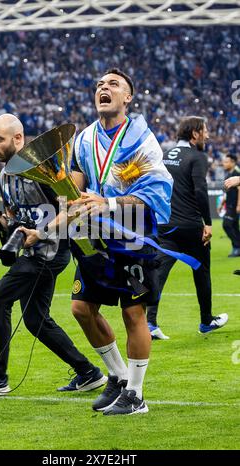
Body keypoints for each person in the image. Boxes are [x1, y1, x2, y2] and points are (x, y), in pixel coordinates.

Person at [22, 68, 173, 415]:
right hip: (94, 237)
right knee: (81, 308)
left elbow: (156, 193)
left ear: (128, 98)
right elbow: (72, 196)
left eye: (114, 85)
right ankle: (119, 377)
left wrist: (109, 203)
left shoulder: (142, 139)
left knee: (133, 313)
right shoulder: (85, 140)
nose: (104, 88)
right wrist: (43, 230)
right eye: (100, 85)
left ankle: (136, 396)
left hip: (134, 235)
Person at [0, 114, 106, 397]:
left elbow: (73, 209)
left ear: (18, 139)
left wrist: (40, 232)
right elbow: (12, 221)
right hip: (35, 252)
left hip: (48, 253)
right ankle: (88, 372)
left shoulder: (43, 168)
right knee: (35, 320)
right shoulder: (5, 175)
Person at [146, 116, 228, 338]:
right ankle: (206, 321)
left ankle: (150, 323)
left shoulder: (166, 155)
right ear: (194, 134)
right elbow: (201, 191)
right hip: (190, 225)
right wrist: (208, 223)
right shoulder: (197, 156)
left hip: (164, 224)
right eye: (205, 131)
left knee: (159, 271)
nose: (208, 135)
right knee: (201, 271)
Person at [218, 154, 240, 257]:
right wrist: (222, 204)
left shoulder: (237, 173)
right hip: (230, 204)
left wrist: (239, 205)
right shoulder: (228, 175)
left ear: (232, 162)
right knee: (234, 227)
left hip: (235, 205)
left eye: (226, 162)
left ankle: (236, 247)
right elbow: (227, 192)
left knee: (226, 225)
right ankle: (237, 248)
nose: (224, 163)